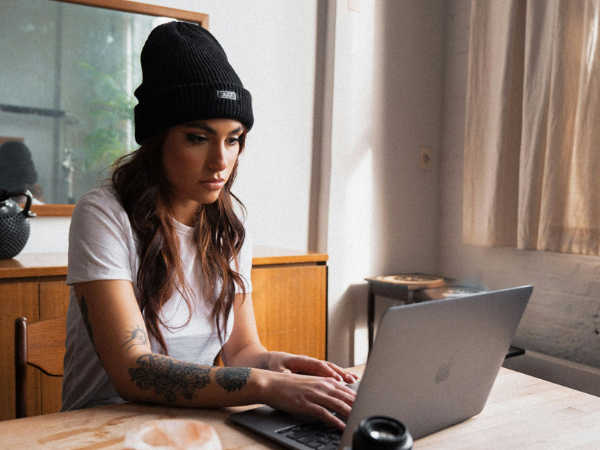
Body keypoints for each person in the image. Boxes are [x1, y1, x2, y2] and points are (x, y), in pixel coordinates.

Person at [62, 21, 357, 429]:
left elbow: (243, 353)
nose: (221, 161)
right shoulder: (103, 215)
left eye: (233, 139)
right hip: (99, 431)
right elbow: (133, 370)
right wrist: (265, 385)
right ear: (157, 139)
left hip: (190, 427)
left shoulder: (229, 230)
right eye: (198, 138)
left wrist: (281, 367)